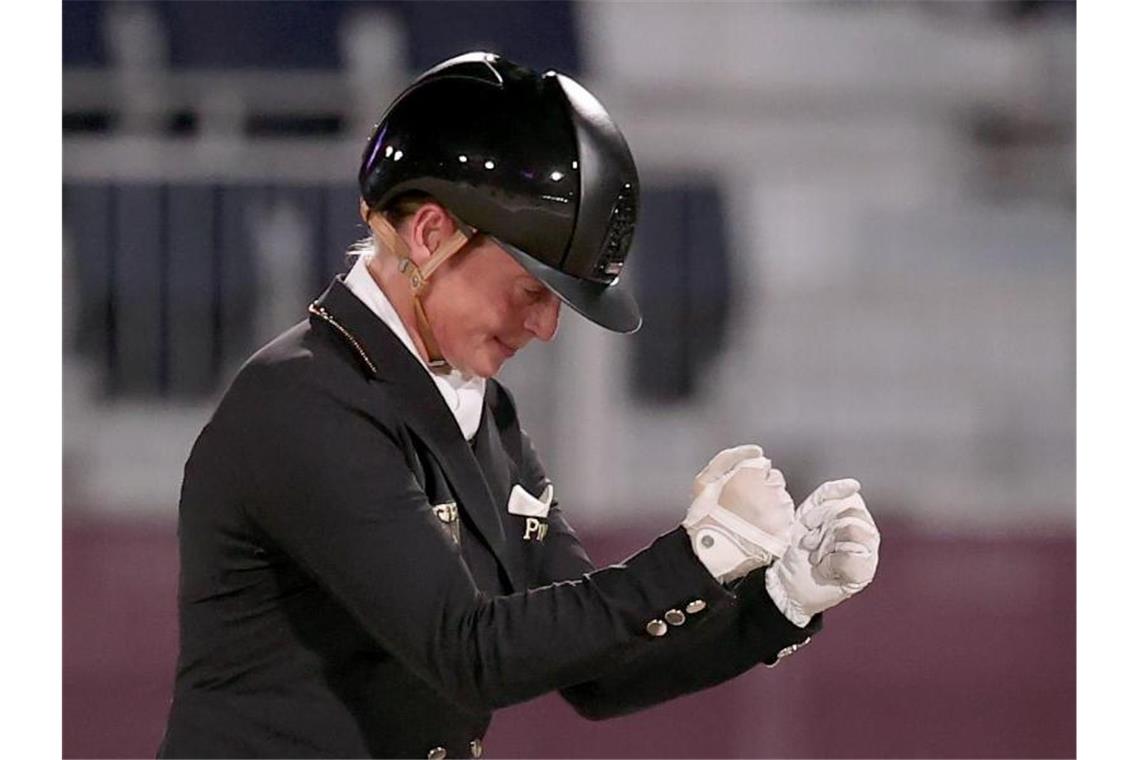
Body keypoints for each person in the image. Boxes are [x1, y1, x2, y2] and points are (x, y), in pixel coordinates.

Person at [158, 52, 880, 759]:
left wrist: (778, 601)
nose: (544, 327)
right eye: (531, 290)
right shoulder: (305, 403)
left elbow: (597, 670)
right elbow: (469, 651)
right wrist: (699, 554)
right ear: (431, 233)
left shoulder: (484, 415)